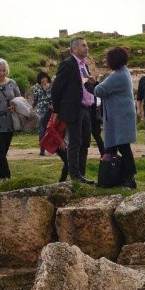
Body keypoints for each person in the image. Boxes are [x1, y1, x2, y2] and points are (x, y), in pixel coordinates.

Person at [50, 37, 96, 185]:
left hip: (85, 108)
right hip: (73, 109)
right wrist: (57, 111)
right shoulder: (67, 64)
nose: (86, 48)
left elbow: (86, 86)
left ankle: (80, 174)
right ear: (74, 48)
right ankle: (75, 176)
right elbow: (56, 89)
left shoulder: (84, 65)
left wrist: (99, 87)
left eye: (86, 45)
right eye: (83, 45)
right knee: (75, 142)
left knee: (85, 143)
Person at [94, 47, 138, 189]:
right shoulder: (123, 72)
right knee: (115, 147)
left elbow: (98, 91)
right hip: (121, 116)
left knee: (123, 147)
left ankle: (129, 178)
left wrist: (90, 83)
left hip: (120, 117)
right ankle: (115, 177)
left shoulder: (118, 75)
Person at [31, 71, 53, 155]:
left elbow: (55, 97)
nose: (44, 79)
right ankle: (42, 149)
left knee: (53, 129)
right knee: (42, 130)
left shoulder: (51, 87)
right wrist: (31, 109)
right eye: (42, 78)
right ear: (39, 80)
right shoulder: (37, 89)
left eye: (45, 77)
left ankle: (55, 148)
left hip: (51, 111)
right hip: (41, 112)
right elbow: (35, 100)